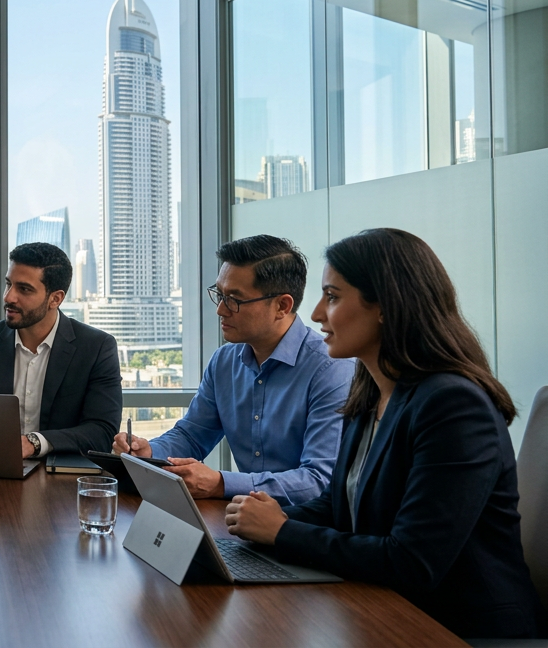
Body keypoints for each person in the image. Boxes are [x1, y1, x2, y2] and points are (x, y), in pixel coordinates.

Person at [225, 228, 538, 640]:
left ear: (386, 307)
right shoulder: (371, 389)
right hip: (383, 610)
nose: (317, 313)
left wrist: (282, 531)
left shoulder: (454, 406)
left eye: (332, 297)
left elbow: (412, 561)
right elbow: (340, 506)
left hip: (461, 629)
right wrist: (250, 527)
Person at [114, 235, 351, 505]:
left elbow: (318, 480)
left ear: (282, 306)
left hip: (305, 530)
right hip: (243, 520)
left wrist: (220, 483)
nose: (220, 310)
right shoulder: (224, 361)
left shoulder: (331, 369)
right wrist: (148, 452)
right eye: (219, 295)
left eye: (234, 300)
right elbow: (192, 435)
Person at [0, 242, 121, 456]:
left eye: (24, 289)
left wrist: (35, 442)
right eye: (8, 284)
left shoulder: (96, 347)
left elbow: (102, 432)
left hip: (61, 477)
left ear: (55, 299)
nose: (8, 297)